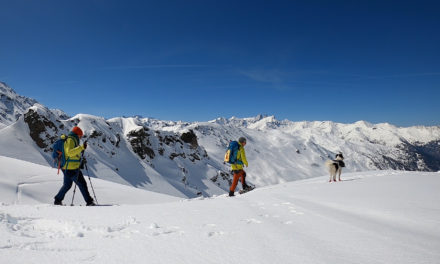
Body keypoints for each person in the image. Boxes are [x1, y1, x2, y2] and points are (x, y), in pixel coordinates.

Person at [54, 126, 95, 206]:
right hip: (71, 168)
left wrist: (80, 155)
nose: (80, 137)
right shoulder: (71, 140)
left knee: (67, 185)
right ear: (77, 134)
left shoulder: (72, 140)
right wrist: (81, 147)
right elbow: (69, 153)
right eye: (80, 135)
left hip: (67, 167)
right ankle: (89, 202)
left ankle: (57, 200)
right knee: (82, 184)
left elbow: (72, 154)